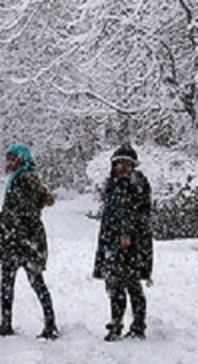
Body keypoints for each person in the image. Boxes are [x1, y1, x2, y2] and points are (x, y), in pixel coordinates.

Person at [0, 143, 58, 339]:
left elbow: (24, 213)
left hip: (23, 239)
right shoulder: (19, 178)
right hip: (20, 238)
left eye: (11, 158)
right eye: (8, 158)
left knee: (32, 282)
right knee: (14, 281)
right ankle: (8, 323)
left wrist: (1, 221)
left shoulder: (24, 180)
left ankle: (49, 325)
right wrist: (1, 218)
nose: (8, 162)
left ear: (21, 159)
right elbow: (19, 211)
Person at [93, 143, 153, 341]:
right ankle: (117, 324)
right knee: (115, 285)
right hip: (112, 241)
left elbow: (137, 213)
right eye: (118, 163)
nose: (122, 167)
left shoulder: (137, 184)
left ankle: (137, 326)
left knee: (131, 284)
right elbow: (112, 212)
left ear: (133, 165)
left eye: (126, 163)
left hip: (131, 244)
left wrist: (127, 233)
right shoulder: (112, 183)